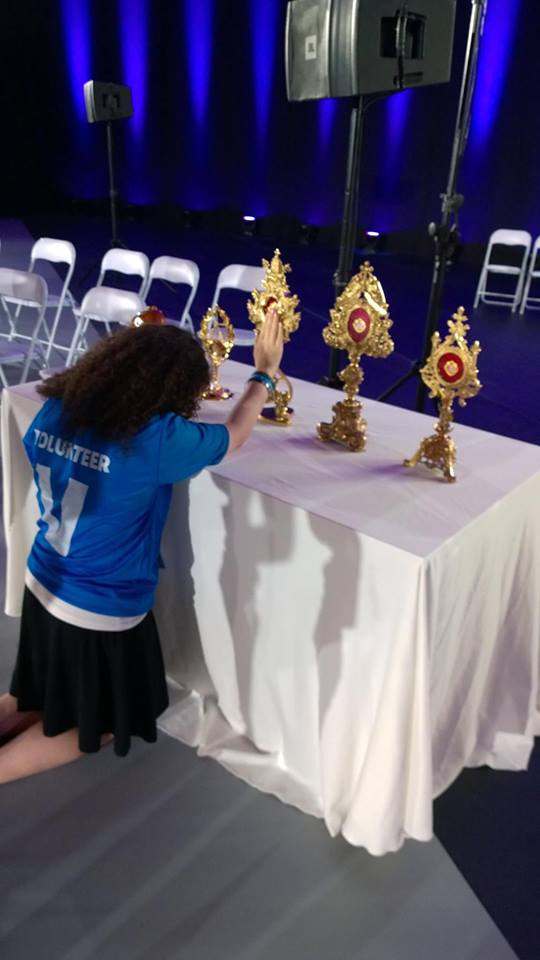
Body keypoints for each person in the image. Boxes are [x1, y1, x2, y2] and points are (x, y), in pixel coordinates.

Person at [0, 308, 283, 784]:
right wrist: (264, 374)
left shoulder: (55, 406)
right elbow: (235, 435)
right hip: (98, 608)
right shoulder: (153, 439)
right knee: (105, 723)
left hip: (43, 580)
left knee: (35, 693)